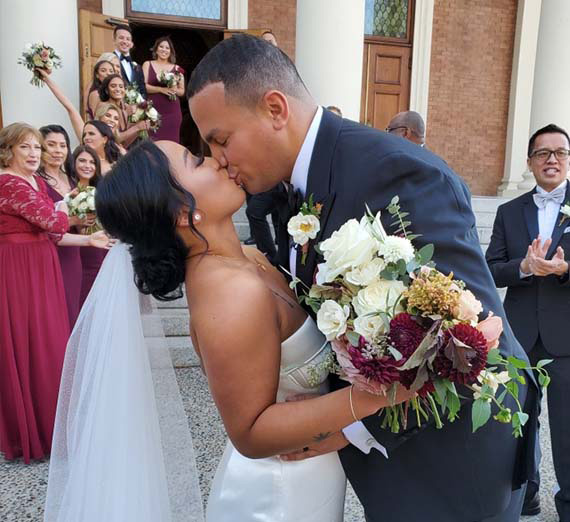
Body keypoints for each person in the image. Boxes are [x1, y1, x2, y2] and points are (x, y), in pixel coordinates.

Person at [187, 34, 539, 522]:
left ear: (274, 108)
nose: (219, 159)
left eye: (220, 140)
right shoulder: (298, 184)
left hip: (453, 469)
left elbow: (464, 341)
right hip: (394, 469)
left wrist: (346, 428)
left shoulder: (395, 174)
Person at [0, 123, 110, 463]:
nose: (34, 154)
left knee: (48, 342)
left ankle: (53, 429)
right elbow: (53, 221)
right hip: (17, 271)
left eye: (37, 148)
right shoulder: (7, 181)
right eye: (25, 148)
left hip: (40, 264)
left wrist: (89, 239)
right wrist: (71, 205)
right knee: (28, 344)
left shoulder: (33, 181)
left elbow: (52, 234)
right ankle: (31, 434)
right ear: (9, 151)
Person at [486, 123, 570, 521]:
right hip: (519, 338)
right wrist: (522, 267)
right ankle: (526, 496)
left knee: (568, 430)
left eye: (559, 153)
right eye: (543, 153)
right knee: (517, 426)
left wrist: (563, 270)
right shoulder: (508, 211)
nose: (551, 160)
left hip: (566, 338)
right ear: (530, 163)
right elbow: (489, 270)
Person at [39, 125, 92, 327]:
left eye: (62, 145)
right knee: (53, 312)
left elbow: (80, 220)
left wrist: (87, 220)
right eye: (51, 145)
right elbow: (43, 224)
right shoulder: (37, 182)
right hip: (50, 253)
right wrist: (73, 221)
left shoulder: (71, 180)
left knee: (72, 307)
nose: (57, 151)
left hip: (73, 253)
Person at [38, 69, 146, 149]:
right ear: (99, 116)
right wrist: (47, 79)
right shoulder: (87, 135)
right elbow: (70, 107)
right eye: (108, 116)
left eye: (115, 118)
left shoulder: (118, 148)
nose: (112, 120)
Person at [142, 36, 185, 143]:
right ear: (156, 49)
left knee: (171, 144)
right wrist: (161, 89)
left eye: (167, 48)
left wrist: (173, 89)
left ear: (171, 52)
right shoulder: (147, 64)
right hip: (152, 110)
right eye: (161, 47)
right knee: (152, 143)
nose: (164, 50)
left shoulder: (177, 68)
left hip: (172, 112)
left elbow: (182, 91)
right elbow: (143, 86)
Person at [113, 25, 146, 97]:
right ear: (114, 40)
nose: (125, 41)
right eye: (121, 38)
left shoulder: (138, 67)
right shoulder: (108, 61)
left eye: (128, 39)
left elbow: (142, 90)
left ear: (131, 44)